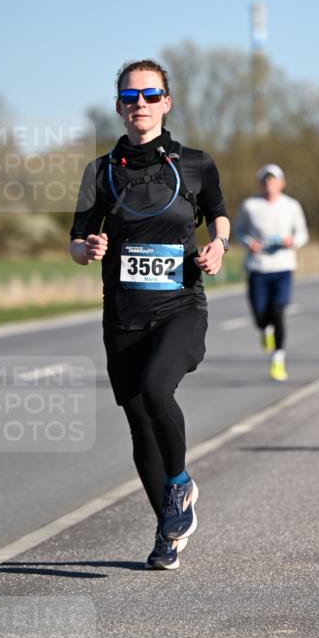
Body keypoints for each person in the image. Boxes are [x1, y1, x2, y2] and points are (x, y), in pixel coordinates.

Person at [69, 59, 230, 571]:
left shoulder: (196, 163)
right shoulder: (99, 172)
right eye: (130, 96)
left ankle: (180, 486)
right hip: (123, 314)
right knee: (140, 425)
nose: (140, 103)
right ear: (119, 105)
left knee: (159, 388)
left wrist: (220, 244)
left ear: (167, 101)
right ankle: (167, 531)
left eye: (150, 94)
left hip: (180, 305)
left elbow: (219, 210)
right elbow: (76, 240)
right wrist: (87, 247)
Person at [233, 164, 309, 381]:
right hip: (258, 267)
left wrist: (291, 242)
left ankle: (278, 359)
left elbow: (302, 234)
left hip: (283, 266)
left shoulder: (292, 205)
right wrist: (249, 243)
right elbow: (238, 231)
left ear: (281, 183)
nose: (270, 185)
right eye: (266, 181)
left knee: (278, 311)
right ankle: (265, 330)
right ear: (261, 184)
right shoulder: (250, 206)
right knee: (260, 314)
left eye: (274, 181)